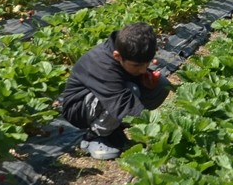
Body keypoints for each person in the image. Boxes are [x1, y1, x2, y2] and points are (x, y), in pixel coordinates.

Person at [60, 23, 170, 160]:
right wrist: (160, 132)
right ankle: (93, 137)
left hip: (110, 99)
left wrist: (147, 84)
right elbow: (123, 103)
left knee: (161, 85)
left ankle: (114, 132)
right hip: (79, 108)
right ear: (117, 56)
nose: (143, 70)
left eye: (147, 64)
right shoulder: (101, 63)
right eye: (137, 65)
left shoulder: (129, 49)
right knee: (131, 91)